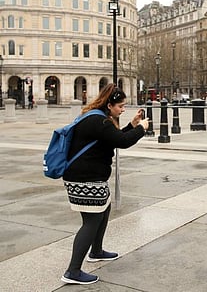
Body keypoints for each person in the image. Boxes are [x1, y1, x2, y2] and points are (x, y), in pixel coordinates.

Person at [61, 84, 149, 285]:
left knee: (104, 210)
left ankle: (97, 251)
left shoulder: (96, 117)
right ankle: (73, 271)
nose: (123, 109)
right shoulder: (99, 121)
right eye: (120, 106)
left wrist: (132, 126)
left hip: (87, 176)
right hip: (85, 178)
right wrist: (142, 129)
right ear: (109, 105)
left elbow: (112, 139)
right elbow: (123, 142)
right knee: (91, 221)